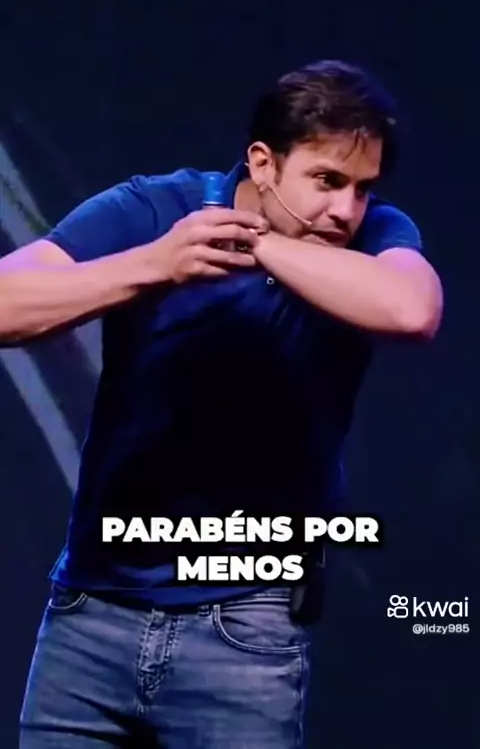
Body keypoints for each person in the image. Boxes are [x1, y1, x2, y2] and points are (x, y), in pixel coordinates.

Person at [2, 60, 443, 748]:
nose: (346, 210)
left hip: (244, 628)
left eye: (363, 188)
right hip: (89, 615)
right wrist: (154, 264)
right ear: (263, 163)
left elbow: (412, 309)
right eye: (327, 181)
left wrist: (257, 240)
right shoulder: (155, 208)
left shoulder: (374, 235)